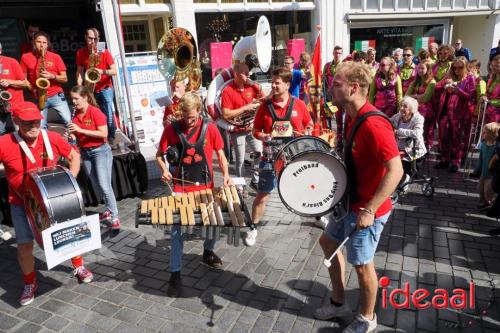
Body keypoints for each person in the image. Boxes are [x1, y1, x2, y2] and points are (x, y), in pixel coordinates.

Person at [314, 61, 402, 333]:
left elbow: (395, 170)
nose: (331, 88)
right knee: (328, 242)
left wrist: (370, 209)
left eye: (336, 84)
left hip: (367, 208)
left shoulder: (374, 124)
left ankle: (367, 319)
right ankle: (339, 303)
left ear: (353, 88)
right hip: (350, 202)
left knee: (362, 265)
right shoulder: (351, 116)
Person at [0, 101, 94, 306]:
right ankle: (29, 282)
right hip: (21, 202)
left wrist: (69, 182)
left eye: (36, 122)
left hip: (53, 199)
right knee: (25, 246)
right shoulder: (5, 143)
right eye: (27, 123)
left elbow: (73, 155)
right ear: (15, 121)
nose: (33, 127)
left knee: (71, 233)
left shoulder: (51, 137)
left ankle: (78, 266)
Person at [155, 92, 232, 297]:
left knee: (215, 223)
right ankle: (175, 274)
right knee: (177, 230)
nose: (188, 121)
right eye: (185, 116)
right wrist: (164, 169)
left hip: (206, 188)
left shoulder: (211, 129)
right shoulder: (172, 129)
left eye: (192, 117)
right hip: (180, 189)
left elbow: (221, 156)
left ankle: (207, 252)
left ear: (199, 111)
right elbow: (159, 155)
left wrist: (226, 175)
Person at [246, 67, 313, 246]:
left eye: (277, 83)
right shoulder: (265, 106)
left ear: (287, 84)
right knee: (262, 195)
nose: (273, 86)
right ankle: (253, 227)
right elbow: (255, 130)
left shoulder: (298, 104)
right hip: (270, 158)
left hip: (295, 158)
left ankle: (318, 216)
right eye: (272, 82)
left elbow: (309, 124)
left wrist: (306, 131)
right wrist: (263, 136)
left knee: (309, 189)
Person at [69, 85, 121, 230]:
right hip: (86, 152)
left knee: (105, 185)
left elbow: (103, 134)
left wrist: (80, 129)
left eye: (76, 98)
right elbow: (76, 135)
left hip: (100, 151)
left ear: (85, 97)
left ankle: (115, 216)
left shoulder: (95, 112)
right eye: (72, 99)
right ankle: (108, 210)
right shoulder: (75, 115)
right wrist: (72, 136)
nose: (73, 102)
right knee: (96, 184)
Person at [220, 63, 263, 196]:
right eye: (244, 72)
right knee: (239, 160)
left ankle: (255, 180)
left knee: (258, 153)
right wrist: (246, 108)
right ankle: (240, 185)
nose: (248, 74)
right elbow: (226, 114)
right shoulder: (227, 90)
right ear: (235, 74)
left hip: (251, 128)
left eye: (248, 71)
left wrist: (254, 118)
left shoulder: (251, 86)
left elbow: (263, 100)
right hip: (237, 130)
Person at [20, 31, 72, 129]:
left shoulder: (55, 57)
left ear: (47, 44)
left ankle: (73, 143)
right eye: (39, 42)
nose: (41, 45)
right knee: (41, 126)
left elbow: (65, 78)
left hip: (56, 94)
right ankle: (45, 144)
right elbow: (23, 78)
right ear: (33, 43)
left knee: (68, 121)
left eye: (44, 43)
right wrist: (32, 89)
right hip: (38, 95)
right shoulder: (25, 57)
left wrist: (52, 76)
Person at [434, 56, 476, 172]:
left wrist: (457, 90)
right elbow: (436, 87)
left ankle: (455, 161)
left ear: (465, 67)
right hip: (445, 110)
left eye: (460, 67)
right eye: (454, 67)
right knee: (443, 136)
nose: (457, 70)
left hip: (460, 113)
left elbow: (471, 97)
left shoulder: (470, 78)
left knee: (457, 138)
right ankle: (444, 159)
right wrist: (445, 84)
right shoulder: (450, 76)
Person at [76, 28, 118, 144]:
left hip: (105, 88)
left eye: (96, 39)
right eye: (90, 38)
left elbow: (114, 71)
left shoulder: (103, 50)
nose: (93, 41)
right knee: (92, 114)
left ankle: (111, 137)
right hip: (89, 88)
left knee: (108, 115)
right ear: (85, 37)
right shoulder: (81, 53)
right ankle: (97, 136)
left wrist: (101, 71)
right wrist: (79, 87)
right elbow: (79, 71)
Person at [391, 96, 427, 188]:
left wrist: (398, 131)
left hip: (414, 151)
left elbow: (417, 133)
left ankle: (404, 182)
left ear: (412, 109)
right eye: (401, 105)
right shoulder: (399, 115)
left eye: (405, 106)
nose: (401, 108)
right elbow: (388, 121)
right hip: (400, 149)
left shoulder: (419, 118)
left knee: (405, 171)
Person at [406, 61, 436, 150]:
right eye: (418, 68)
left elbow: (426, 98)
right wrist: (418, 96)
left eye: (422, 68)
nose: (419, 70)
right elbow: (406, 96)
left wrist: (414, 96)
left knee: (426, 131)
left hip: (427, 110)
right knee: (416, 129)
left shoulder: (432, 82)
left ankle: (427, 148)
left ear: (428, 70)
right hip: (416, 109)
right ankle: (416, 148)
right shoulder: (415, 81)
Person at [0, 42, 28, 135]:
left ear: (0, 50)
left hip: (15, 103)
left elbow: (24, 83)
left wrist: (9, 82)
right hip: (0, 106)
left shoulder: (12, 62)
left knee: (20, 131)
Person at [323, 46, 344, 143]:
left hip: (339, 97)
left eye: (339, 53)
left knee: (339, 120)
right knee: (329, 118)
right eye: (336, 53)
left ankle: (339, 140)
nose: (337, 55)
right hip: (329, 96)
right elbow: (323, 81)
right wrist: (323, 94)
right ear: (333, 53)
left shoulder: (344, 66)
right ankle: (329, 139)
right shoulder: (327, 66)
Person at [475, 123, 499, 210]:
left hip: (491, 174)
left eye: (485, 132)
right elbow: (480, 158)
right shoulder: (483, 144)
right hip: (483, 173)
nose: (483, 134)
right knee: (480, 189)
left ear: (493, 135)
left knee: (487, 191)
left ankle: (491, 203)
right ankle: (484, 202)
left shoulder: (496, 147)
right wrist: (477, 170)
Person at [482, 54, 500, 123]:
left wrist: (490, 101)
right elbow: (488, 94)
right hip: (487, 114)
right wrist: (484, 97)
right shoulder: (491, 79)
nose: (493, 68)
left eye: (497, 66)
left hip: (497, 117)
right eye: (492, 65)